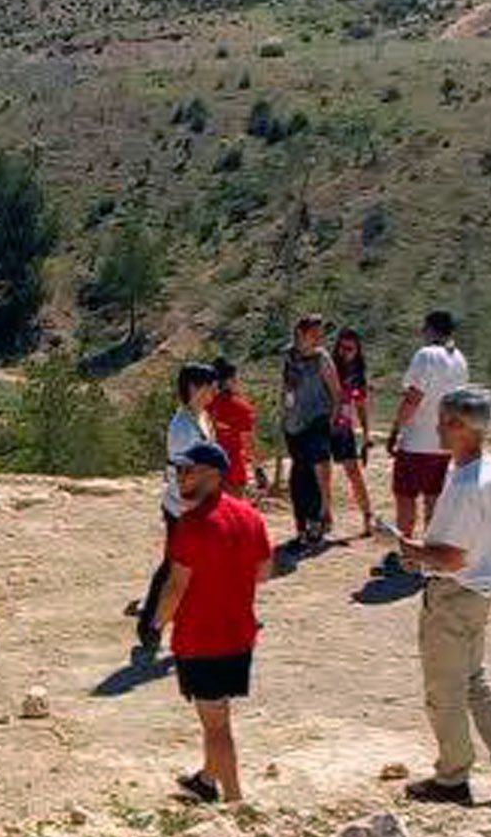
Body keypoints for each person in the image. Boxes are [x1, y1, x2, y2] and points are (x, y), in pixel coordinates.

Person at [398, 386, 491, 805]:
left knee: (444, 691)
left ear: (457, 426)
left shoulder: (467, 481)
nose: (436, 427)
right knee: (474, 679)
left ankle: (453, 778)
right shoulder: (487, 468)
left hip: (454, 594)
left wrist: (413, 550)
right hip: (479, 592)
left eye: (442, 421)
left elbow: (451, 557)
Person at [152, 440, 273, 804]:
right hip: (239, 634)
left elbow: (175, 586)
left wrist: (156, 624)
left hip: (202, 639)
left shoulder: (191, 525)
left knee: (216, 725)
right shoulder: (250, 515)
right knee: (218, 712)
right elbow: (264, 572)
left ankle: (235, 801)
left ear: (212, 475)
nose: (180, 477)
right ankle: (206, 778)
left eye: (187, 470)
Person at [137, 361, 219, 651]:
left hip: (198, 506)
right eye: (211, 386)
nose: (215, 392)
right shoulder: (182, 427)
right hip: (183, 509)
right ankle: (150, 624)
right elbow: (187, 474)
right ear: (195, 388)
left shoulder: (201, 417)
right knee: (175, 566)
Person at [386, 310, 469, 555]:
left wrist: (395, 429)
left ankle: (406, 548)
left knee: (406, 497)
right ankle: (431, 549)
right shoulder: (460, 360)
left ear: (431, 329)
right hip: (444, 442)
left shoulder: (426, 356)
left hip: (416, 442)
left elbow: (413, 399)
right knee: (434, 497)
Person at [279, 316, 341, 545]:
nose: (318, 338)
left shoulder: (322, 359)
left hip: (316, 419)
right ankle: (301, 523)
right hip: (294, 421)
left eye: (319, 334)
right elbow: (285, 386)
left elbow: (336, 391)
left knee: (317, 471)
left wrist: (332, 420)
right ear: (301, 333)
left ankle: (318, 520)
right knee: (299, 474)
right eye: (314, 333)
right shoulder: (289, 356)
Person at [330, 328, 374, 538]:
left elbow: (361, 405)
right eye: (341, 347)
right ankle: (323, 518)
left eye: (349, 349)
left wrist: (366, 433)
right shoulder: (328, 367)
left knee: (353, 471)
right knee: (321, 474)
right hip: (323, 427)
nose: (344, 352)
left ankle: (367, 516)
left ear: (357, 350)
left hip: (343, 427)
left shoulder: (357, 375)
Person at [209, 359, 259, 497]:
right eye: (236, 378)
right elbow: (249, 444)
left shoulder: (205, 406)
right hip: (233, 470)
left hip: (208, 469)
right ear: (229, 381)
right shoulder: (242, 409)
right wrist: (258, 469)